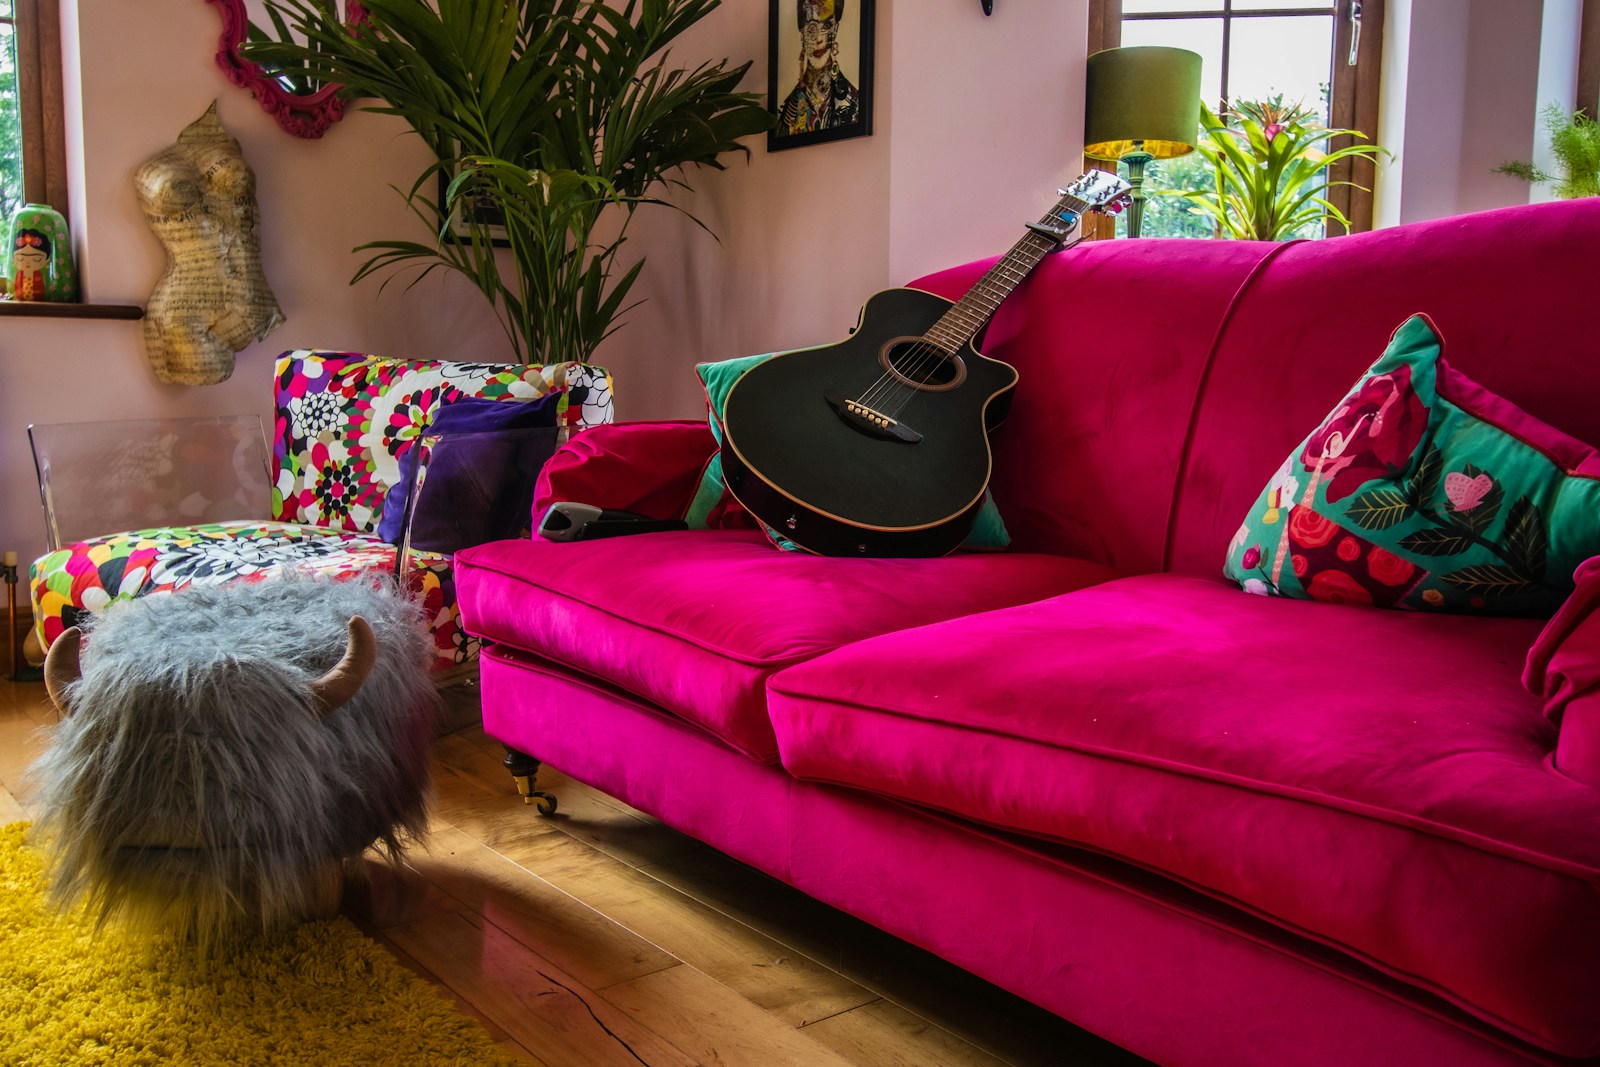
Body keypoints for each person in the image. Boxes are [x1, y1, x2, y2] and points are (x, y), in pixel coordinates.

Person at [777, 0, 861, 134]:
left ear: (836, 29)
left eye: (826, 25)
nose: (818, 38)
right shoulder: (784, 113)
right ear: (802, 33)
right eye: (811, 27)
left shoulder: (855, 103)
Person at [11, 228, 51, 301]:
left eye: (36, 259)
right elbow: (16, 288)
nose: (28, 263)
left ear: (46, 259)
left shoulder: (38, 275)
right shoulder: (18, 275)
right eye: (21, 259)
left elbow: (41, 288)